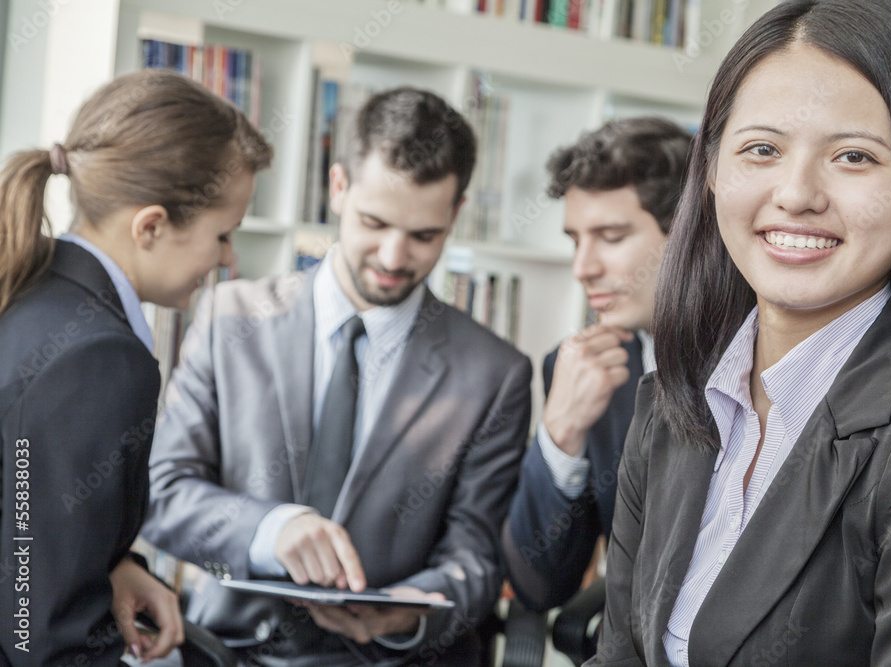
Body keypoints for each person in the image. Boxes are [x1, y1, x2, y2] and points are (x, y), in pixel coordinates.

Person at [588, 0, 891, 665]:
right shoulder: (673, 403)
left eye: (854, 157)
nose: (797, 192)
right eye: (762, 149)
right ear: (715, 169)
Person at [140, 86, 532, 665]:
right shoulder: (231, 318)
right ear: (338, 187)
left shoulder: (495, 373)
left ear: (456, 214)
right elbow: (164, 493)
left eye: (424, 236)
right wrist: (271, 530)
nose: (395, 256)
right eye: (375, 223)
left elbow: (475, 560)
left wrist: (407, 613)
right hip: (231, 650)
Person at [0, 69, 272, 665]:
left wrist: (115, 564)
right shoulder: (97, 358)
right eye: (222, 235)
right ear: (150, 226)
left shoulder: (31, 289)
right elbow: (40, 636)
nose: (228, 259)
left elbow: (25, 529)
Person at [503, 118, 690, 613]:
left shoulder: (772, 360)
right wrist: (560, 432)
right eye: (575, 240)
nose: (582, 267)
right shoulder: (577, 369)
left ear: (691, 232)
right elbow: (540, 586)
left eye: (609, 236)